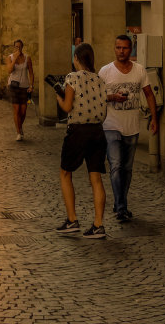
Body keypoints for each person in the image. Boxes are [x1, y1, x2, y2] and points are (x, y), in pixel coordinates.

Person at [99, 34, 158, 222]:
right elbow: (97, 97)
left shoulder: (139, 70)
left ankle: (120, 203)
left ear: (130, 49)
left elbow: (149, 94)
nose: (121, 51)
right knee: (115, 166)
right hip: (111, 125)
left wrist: (153, 118)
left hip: (132, 126)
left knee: (127, 168)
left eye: (124, 48)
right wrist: (112, 97)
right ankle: (121, 207)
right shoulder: (105, 71)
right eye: (118, 48)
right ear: (114, 48)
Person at [54, 42, 107, 239]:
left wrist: (59, 97)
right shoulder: (100, 79)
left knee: (65, 172)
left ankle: (72, 220)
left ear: (76, 58)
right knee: (96, 177)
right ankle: (98, 225)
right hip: (97, 131)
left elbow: (68, 106)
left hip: (78, 131)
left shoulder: (72, 77)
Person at [6, 39, 34, 141]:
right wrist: (15, 59)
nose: (18, 48)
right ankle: (18, 132)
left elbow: (31, 72)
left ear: (22, 47)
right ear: (14, 47)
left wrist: (31, 85)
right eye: (16, 47)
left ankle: (20, 127)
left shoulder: (27, 58)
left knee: (23, 110)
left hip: (24, 86)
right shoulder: (10, 58)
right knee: (16, 109)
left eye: (20, 46)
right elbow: (9, 70)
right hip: (13, 86)